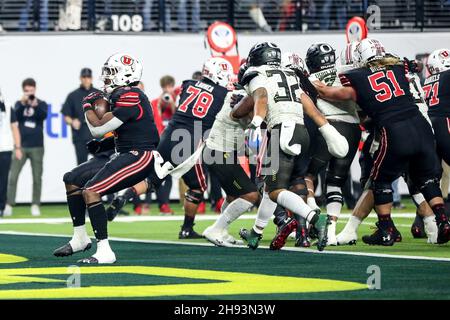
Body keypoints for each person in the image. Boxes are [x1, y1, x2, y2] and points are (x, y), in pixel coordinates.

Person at [315, 38, 450, 245]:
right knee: (425, 180)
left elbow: (331, 92)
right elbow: (415, 66)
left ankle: (385, 228)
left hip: (394, 130)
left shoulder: (358, 76)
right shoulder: (400, 66)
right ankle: (441, 221)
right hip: (422, 126)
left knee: (378, 180)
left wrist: (305, 79)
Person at [231, 42, 348, 251]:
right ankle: (256, 234)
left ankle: (315, 219)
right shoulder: (289, 73)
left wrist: (256, 122)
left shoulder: (256, 73)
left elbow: (261, 97)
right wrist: (326, 128)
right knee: (272, 186)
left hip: (281, 130)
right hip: (301, 131)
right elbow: (308, 103)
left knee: (276, 190)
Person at [53, 53, 161, 264]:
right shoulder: (120, 95)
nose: (106, 77)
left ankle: (105, 251)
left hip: (140, 156)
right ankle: (80, 238)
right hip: (124, 151)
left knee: (91, 191)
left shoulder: (132, 95)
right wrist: (104, 145)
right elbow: (128, 132)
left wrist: (86, 107)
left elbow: (98, 127)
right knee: (71, 178)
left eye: (111, 72)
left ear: (126, 74)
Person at [109, 57, 233, 239]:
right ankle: (187, 228)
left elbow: (179, 102)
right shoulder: (223, 93)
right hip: (189, 140)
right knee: (198, 187)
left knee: (154, 178)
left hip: (169, 134)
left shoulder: (188, 85)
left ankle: (124, 197)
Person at [302, 42, 362, 245]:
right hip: (353, 127)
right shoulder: (348, 71)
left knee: (306, 174)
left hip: (329, 126)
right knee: (336, 180)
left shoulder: (310, 79)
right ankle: (332, 232)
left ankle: (313, 213)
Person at [5, 78, 48, 217]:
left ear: (35, 90)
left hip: (37, 146)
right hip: (21, 146)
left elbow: (43, 115)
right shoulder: (18, 104)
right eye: (26, 91)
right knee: (13, 176)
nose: (29, 93)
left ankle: (35, 204)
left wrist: (34, 104)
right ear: (23, 91)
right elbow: (15, 118)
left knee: (37, 177)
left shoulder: (41, 104)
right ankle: (9, 204)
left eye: (31, 90)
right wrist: (23, 103)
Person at [62, 68, 102, 165]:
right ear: (80, 78)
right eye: (84, 77)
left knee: (101, 166)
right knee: (81, 167)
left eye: (88, 77)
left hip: (97, 137)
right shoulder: (72, 96)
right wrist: (72, 122)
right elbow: (66, 115)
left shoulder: (99, 94)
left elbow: (106, 114)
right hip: (80, 137)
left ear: (91, 78)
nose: (86, 79)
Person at [0, 89, 21, 217]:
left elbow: (14, 128)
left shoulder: (7, 107)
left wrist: (18, 147)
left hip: (5, 148)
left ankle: (1, 206)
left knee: (3, 179)